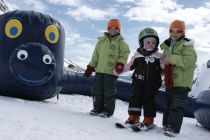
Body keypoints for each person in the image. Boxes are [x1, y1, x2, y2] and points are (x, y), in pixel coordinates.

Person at [84, 19, 130, 118]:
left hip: (111, 72)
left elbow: (124, 54)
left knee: (109, 92)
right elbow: (95, 56)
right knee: (97, 90)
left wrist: (120, 63)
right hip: (99, 71)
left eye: (116, 28)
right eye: (111, 28)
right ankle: (97, 108)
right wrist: (91, 67)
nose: (113, 30)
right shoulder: (101, 41)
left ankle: (107, 111)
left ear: (119, 29)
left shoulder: (121, 43)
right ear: (108, 29)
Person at [161, 20, 197, 137]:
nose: (175, 33)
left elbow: (189, 61)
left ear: (183, 32)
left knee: (177, 105)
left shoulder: (187, 46)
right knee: (168, 104)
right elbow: (165, 63)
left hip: (182, 82)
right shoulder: (167, 46)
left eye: (178, 31)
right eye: (172, 31)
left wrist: (171, 58)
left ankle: (173, 128)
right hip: (170, 81)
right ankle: (166, 125)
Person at [123, 28, 163, 130]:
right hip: (138, 81)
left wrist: (167, 64)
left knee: (148, 99)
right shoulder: (137, 55)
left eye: (153, 42)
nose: (151, 44)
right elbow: (130, 66)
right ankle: (134, 117)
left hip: (152, 83)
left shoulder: (159, 56)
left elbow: (165, 67)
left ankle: (148, 120)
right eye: (148, 42)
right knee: (135, 97)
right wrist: (119, 70)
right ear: (142, 43)